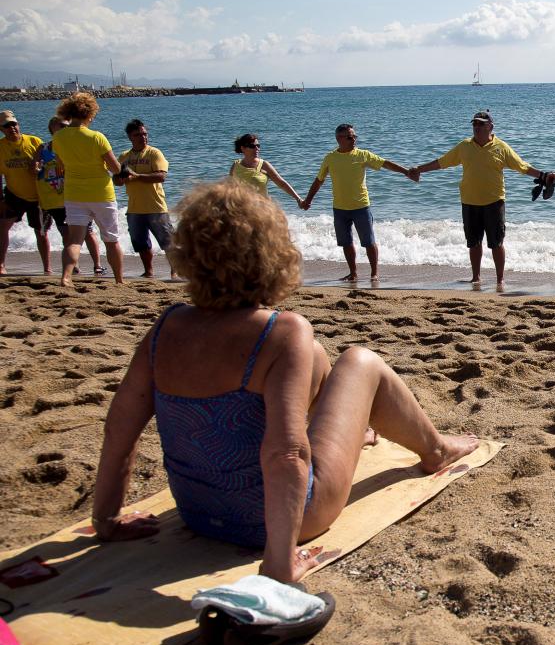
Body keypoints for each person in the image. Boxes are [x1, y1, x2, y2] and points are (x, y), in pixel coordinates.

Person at [90, 179, 479, 583]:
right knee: (360, 361)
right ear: (272, 255)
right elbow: (287, 455)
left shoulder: (166, 328)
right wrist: (278, 563)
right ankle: (436, 449)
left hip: (199, 511)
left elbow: (120, 426)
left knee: (313, 357)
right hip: (286, 519)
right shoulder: (281, 332)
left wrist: (107, 517)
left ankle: (348, 437)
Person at [411, 111, 554, 290]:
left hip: (494, 202)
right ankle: (476, 277)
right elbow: (442, 162)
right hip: (469, 201)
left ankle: (500, 279)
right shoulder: (464, 146)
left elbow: (522, 166)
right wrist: (419, 169)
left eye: (481, 124)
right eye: (475, 125)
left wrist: (543, 175)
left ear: (490, 127)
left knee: (496, 243)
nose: (477, 128)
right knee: (473, 243)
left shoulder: (501, 147)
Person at [300, 124, 418, 282]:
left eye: (355, 136)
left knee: (369, 241)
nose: (354, 139)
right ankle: (353, 273)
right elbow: (319, 180)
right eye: (350, 137)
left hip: (361, 206)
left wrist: (406, 172)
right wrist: (308, 200)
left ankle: (374, 273)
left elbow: (385, 163)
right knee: (346, 243)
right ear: (339, 139)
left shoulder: (363, 155)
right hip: (340, 208)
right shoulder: (330, 158)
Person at [53, 92, 125, 286]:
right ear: (89, 113)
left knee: (75, 240)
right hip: (101, 193)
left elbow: (61, 164)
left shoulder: (58, 138)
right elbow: (115, 167)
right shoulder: (97, 137)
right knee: (111, 239)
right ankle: (119, 280)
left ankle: (66, 277)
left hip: (74, 193)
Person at [34, 116, 104, 276]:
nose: (66, 129)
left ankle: (97, 265)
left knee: (88, 231)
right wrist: (36, 168)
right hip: (54, 199)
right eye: (62, 126)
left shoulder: (73, 147)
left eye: (67, 126)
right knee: (66, 233)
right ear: (52, 130)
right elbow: (34, 166)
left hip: (76, 195)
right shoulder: (44, 148)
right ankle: (74, 266)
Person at [116, 119, 177, 279]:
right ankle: (149, 271)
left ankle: (175, 271)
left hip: (156, 206)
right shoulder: (124, 156)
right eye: (138, 135)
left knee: (168, 242)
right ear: (130, 137)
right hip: (135, 208)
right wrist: (121, 178)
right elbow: (116, 181)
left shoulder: (154, 153)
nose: (143, 137)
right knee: (141, 243)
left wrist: (136, 176)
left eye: (144, 134)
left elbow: (161, 176)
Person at [0, 110, 46, 274]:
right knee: (2, 227)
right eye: (6, 126)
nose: (11, 128)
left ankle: (47, 268)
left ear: (18, 125)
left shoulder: (34, 141)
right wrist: (1, 199)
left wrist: (39, 167)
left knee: (41, 232)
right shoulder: (1, 147)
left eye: (14, 124)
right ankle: (1, 265)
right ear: (1, 129)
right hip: (14, 194)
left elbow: (49, 165)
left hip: (38, 196)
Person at [228, 133, 304, 206]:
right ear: (243, 148)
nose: (257, 149)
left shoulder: (264, 165)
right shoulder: (236, 165)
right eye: (252, 146)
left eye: (258, 145)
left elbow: (282, 183)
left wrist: (298, 199)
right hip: (241, 209)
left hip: (262, 210)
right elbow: (229, 187)